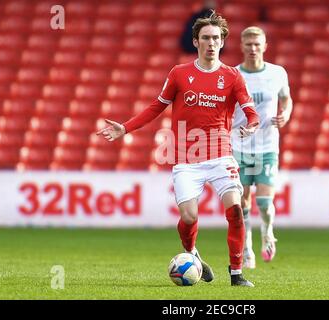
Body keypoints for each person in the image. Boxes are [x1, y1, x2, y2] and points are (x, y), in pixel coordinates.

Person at [97, 12, 259, 287]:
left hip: (221, 154)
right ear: (196, 41)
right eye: (206, 38)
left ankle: (236, 274)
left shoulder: (232, 77)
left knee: (235, 209)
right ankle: (192, 253)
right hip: (187, 157)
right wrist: (125, 127)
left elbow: (251, 111)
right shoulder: (179, 73)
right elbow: (156, 107)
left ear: (222, 42)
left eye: (216, 38)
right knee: (189, 216)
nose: (211, 43)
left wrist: (253, 125)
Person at [231, 26, 293, 269]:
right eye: (249, 44)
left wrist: (285, 113)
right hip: (239, 147)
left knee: (265, 204)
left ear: (265, 46)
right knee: (241, 203)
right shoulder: (233, 74)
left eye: (257, 44)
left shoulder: (277, 73)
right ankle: (246, 249)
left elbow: (286, 98)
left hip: (267, 146)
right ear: (242, 46)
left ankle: (267, 232)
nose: (253, 49)